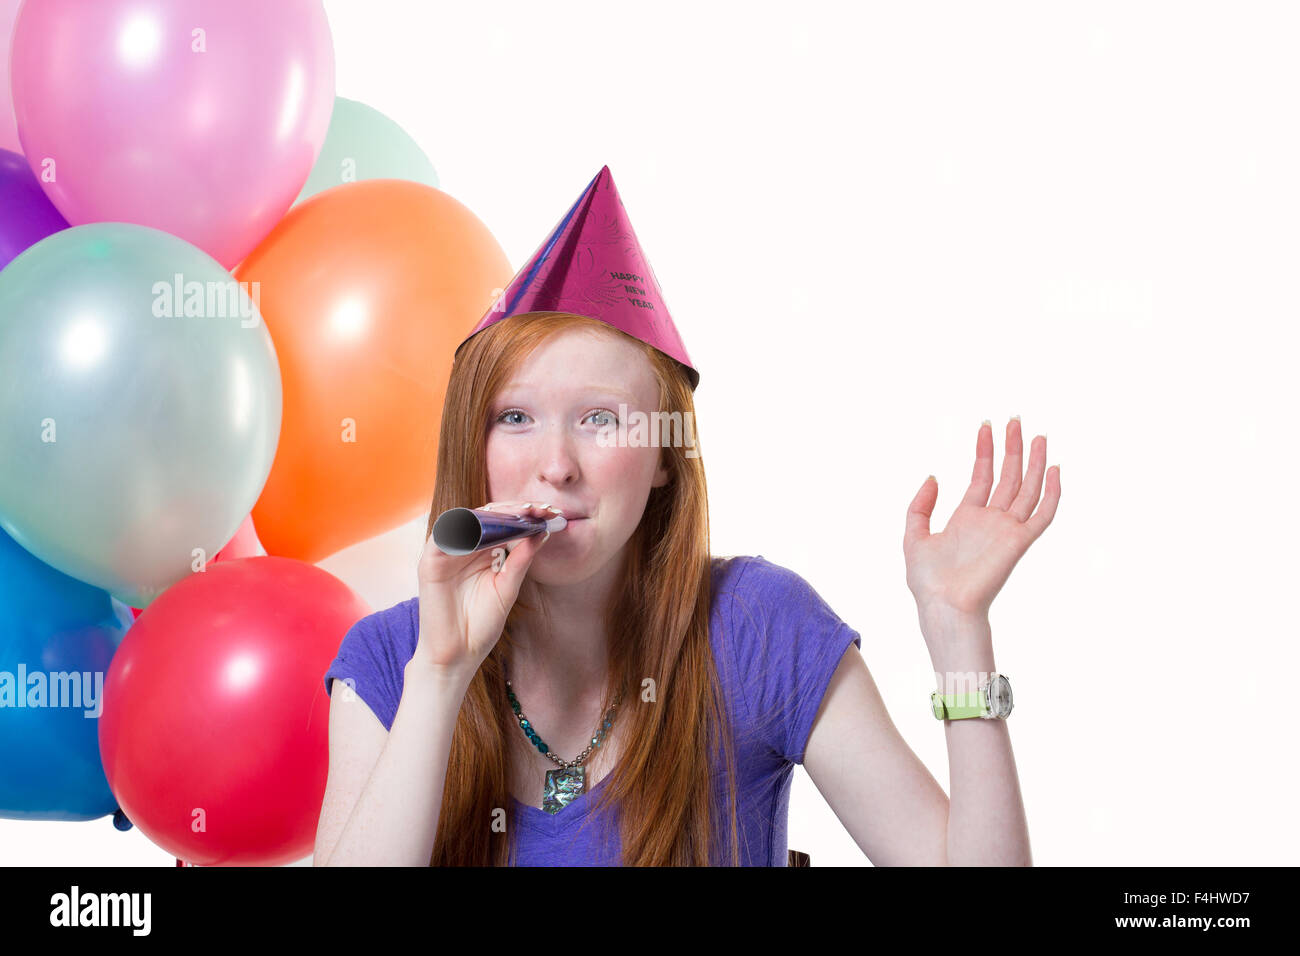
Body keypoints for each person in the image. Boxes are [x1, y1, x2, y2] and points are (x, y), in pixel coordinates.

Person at [313, 167, 1060, 866]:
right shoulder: (387, 661)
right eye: (515, 417)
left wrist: (959, 628)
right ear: (471, 446)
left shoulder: (760, 627)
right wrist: (441, 675)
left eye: (601, 419)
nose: (557, 464)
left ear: (666, 458)